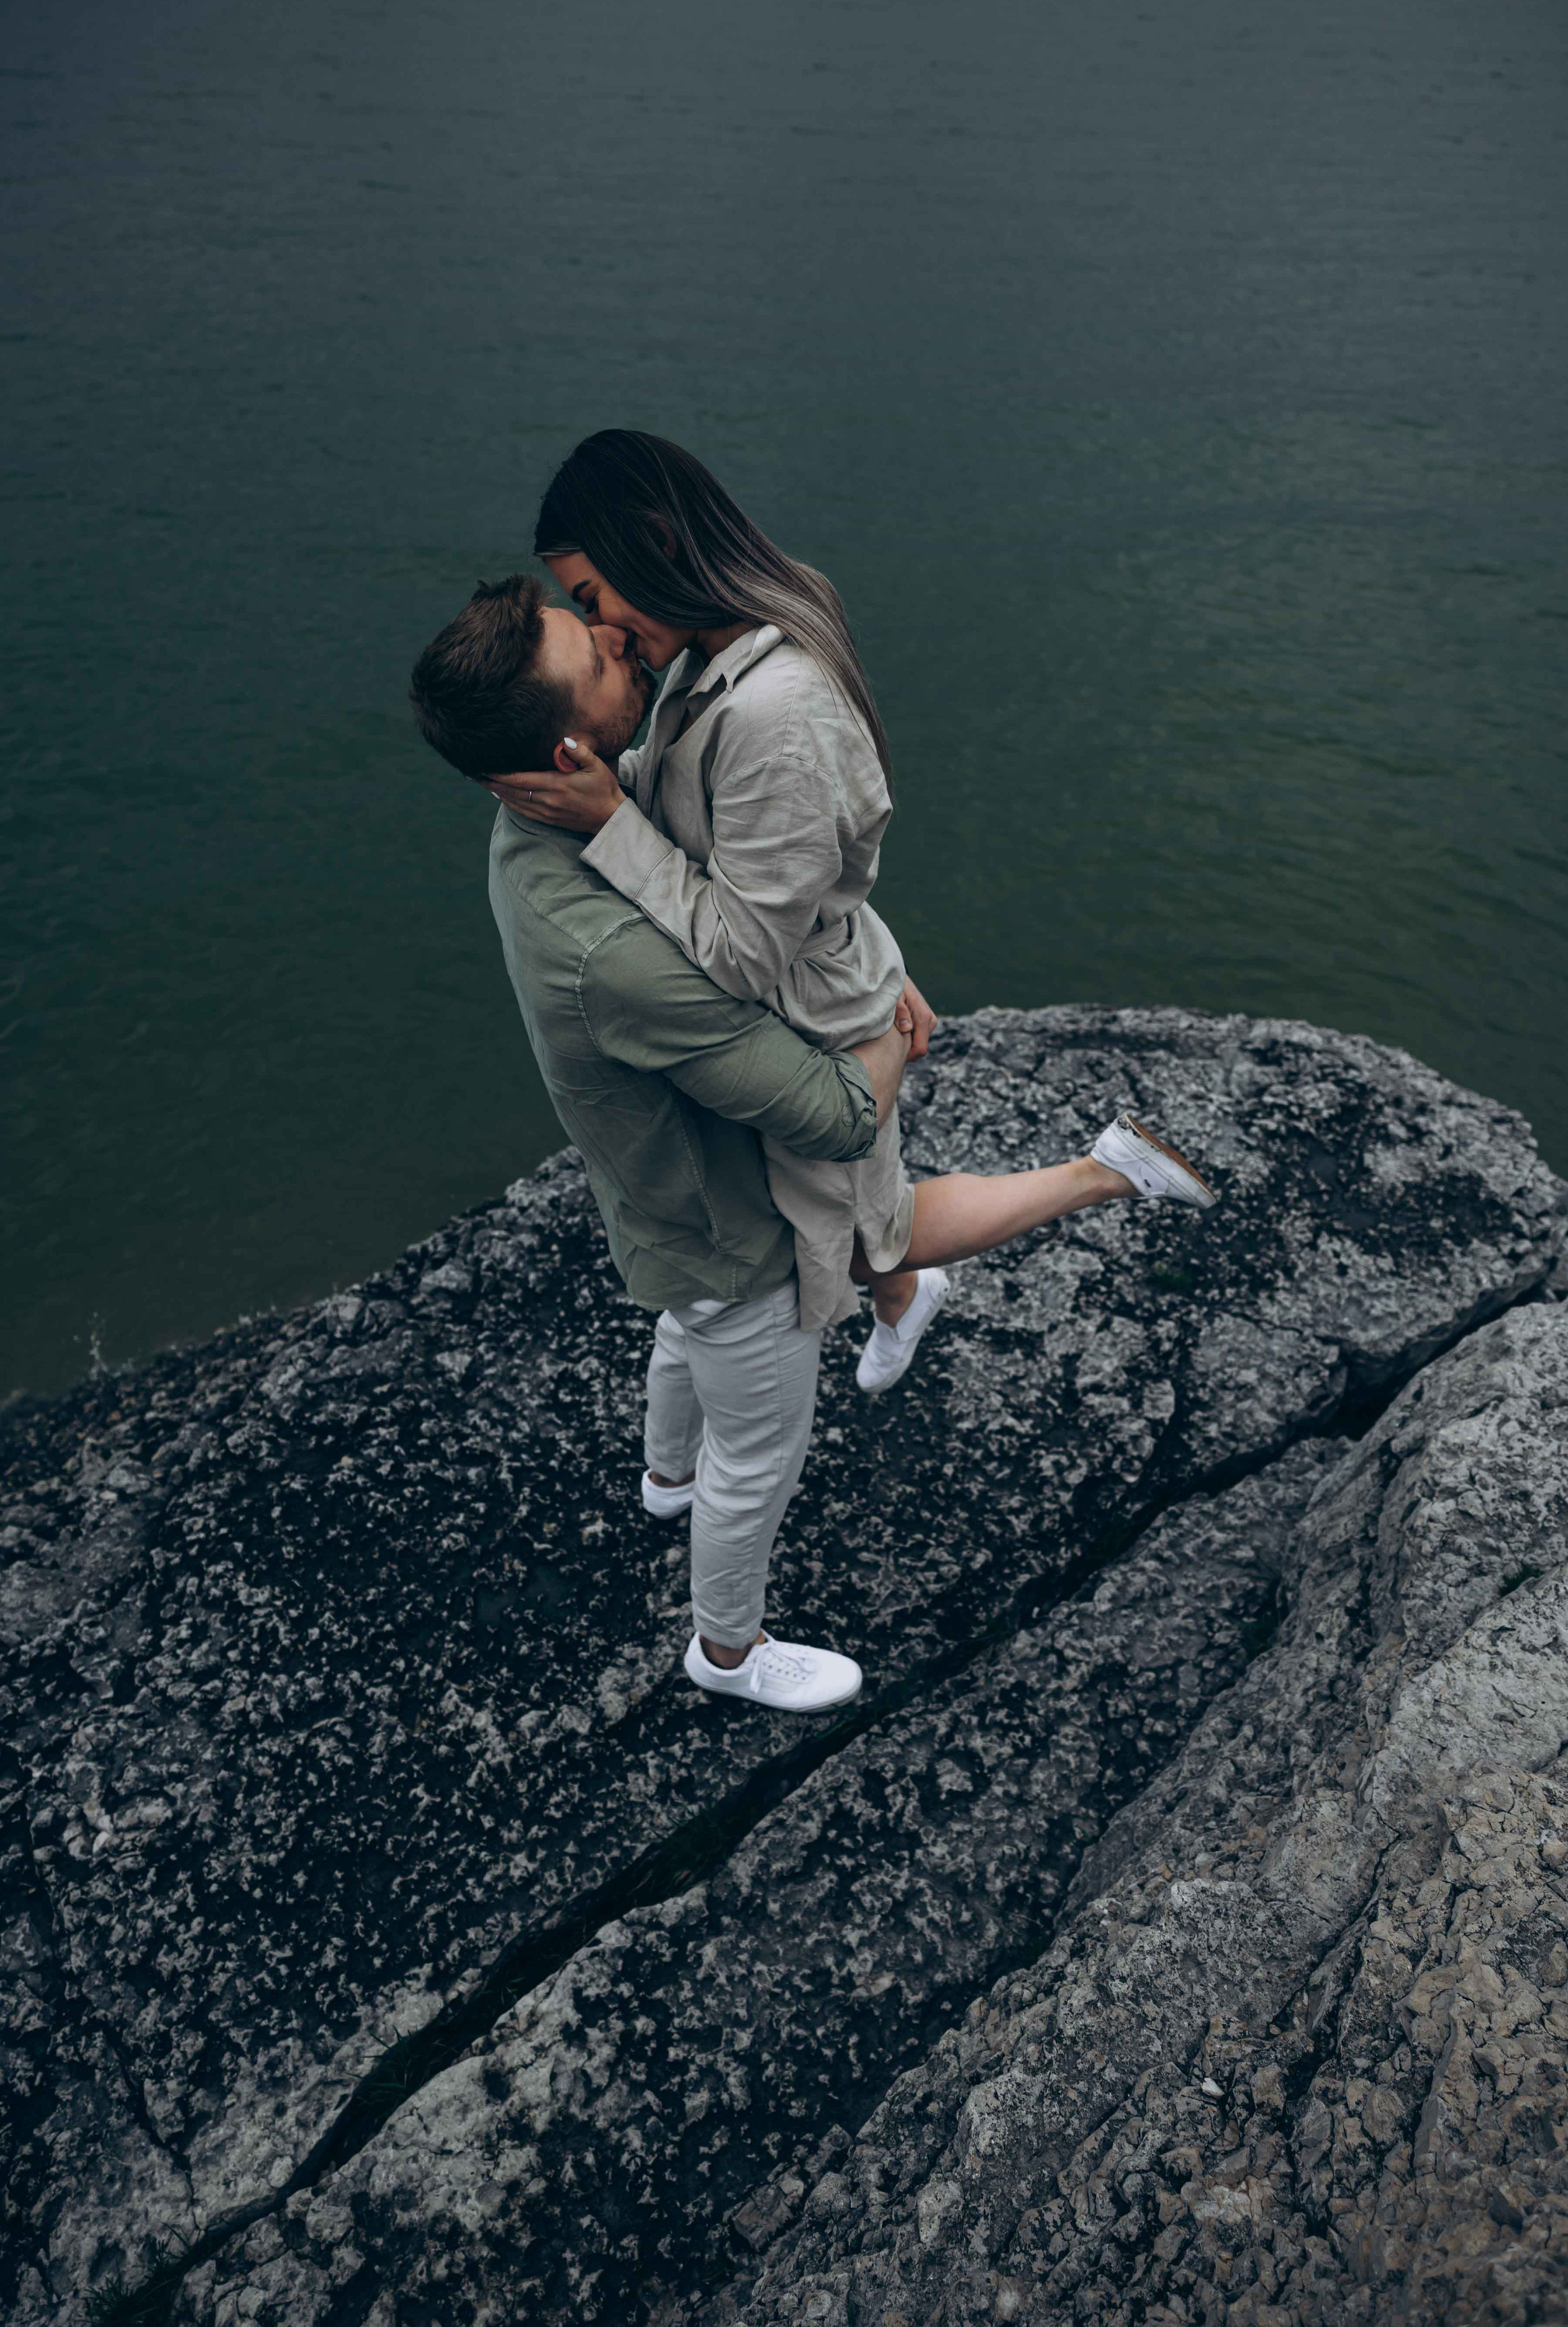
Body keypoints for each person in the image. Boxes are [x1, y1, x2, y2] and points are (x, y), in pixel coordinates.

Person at [410, 573, 1217, 1715]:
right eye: (591, 652)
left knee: (685, 1339)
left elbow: (727, 882)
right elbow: (835, 1113)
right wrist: (888, 1027)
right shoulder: (610, 948)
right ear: (562, 752)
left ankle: (662, 1479)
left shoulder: (540, 829)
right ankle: (727, 1654)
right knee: (759, 1457)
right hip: (737, 1228)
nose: (614, 634)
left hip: (661, 1200)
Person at [481, 430, 1215, 1415]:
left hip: (808, 1013)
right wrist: (865, 942)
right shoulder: (733, 638)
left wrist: (613, 824)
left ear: (653, 540)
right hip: (816, 978)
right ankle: (909, 1299)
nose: (604, 631)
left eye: (592, 600)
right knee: (862, 1225)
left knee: (874, 1232)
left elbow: (747, 945)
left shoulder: (771, 708)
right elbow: (790, 857)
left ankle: (1102, 1173)